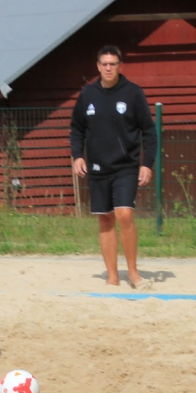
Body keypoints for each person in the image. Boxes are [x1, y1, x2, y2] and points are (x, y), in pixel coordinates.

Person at [70, 45, 156, 289]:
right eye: (105, 64)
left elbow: (149, 131)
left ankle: (133, 273)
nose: (109, 68)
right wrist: (77, 156)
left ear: (120, 66)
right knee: (105, 219)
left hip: (126, 166)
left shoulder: (133, 93)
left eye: (113, 64)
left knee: (124, 214)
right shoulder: (87, 94)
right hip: (98, 167)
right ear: (98, 66)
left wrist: (147, 164)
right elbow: (77, 128)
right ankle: (112, 276)